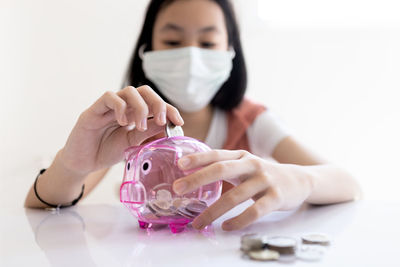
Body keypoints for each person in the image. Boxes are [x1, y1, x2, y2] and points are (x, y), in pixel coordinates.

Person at [25, 0, 361, 231]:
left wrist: (299, 181)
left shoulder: (250, 120)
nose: (190, 56)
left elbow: (348, 184)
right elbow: (42, 203)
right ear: (147, 52)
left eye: (208, 43)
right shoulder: (131, 125)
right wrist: (72, 165)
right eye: (172, 41)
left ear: (230, 54)